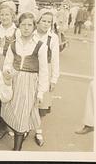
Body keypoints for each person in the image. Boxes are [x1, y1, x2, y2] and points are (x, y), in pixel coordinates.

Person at [1, 12, 49, 151]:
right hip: (15, 81)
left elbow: (44, 71)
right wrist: (7, 72)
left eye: (29, 25)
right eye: (23, 25)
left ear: (34, 27)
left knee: (24, 112)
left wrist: (40, 92)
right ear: (18, 26)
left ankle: (17, 149)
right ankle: (21, 132)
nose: (26, 28)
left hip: (30, 83)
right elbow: (7, 64)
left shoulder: (41, 46)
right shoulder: (13, 44)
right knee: (14, 111)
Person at [0, 1, 18, 140]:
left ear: (12, 15)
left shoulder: (16, 31)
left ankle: (6, 124)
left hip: (9, 63)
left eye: (7, 14)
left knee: (8, 93)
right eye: (2, 14)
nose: (4, 17)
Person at [33, 9, 60, 146]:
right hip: (31, 70)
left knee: (41, 103)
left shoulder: (53, 38)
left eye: (49, 22)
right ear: (38, 21)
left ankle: (38, 130)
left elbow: (55, 60)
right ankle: (24, 127)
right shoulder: (31, 34)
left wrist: (54, 79)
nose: (46, 24)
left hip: (46, 71)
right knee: (29, 100)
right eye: (43, 21)